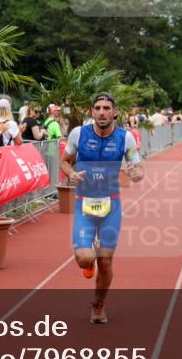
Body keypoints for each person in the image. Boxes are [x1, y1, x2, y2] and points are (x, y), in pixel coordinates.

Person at [60, 91, 143, 324]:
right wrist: (72, 174)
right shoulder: (79, 134)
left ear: (115, 112)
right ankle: (88, 257)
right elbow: (65, 161)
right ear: (92, 112)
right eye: (98, 108)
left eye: (107, 108)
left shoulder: (125, 138)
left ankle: (98, 307)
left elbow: (137, 168)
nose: (102, 112)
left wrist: (137, 173)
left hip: (111, 207)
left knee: (105, 262)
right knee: (86, 259)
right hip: (84, 206)